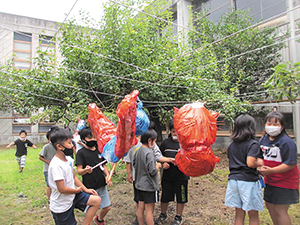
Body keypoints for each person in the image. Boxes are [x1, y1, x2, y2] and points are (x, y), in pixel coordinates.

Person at [48, 128, 101, 225]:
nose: (72, 146)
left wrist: (86, 189)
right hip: (61, 205)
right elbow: (62, 189)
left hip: (72, 195)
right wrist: (77, 190)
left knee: (96, 200)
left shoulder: (68, 160)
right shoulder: (56, 165)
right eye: (69, 143)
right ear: (59, 146)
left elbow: (74, 177)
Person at [259, 111, 299, 225]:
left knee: (280, 210)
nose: (271, 127)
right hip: (270, 181)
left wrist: (271, 171)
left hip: (285, 182)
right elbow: (260, 156)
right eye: (269, 123)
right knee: (270, 206)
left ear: (282, 127)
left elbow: (290, 164)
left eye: (275, 124)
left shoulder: (287, 143)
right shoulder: (263, 140)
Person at [224, 114, 264, 225]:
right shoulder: (253, 144)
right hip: (248, 182)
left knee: (239, 213)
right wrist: (260, 162)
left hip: (233, 181)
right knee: (253, 214)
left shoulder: (232, 145)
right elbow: (251, 163)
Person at [155, 120, 189, 225]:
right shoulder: (165, 143)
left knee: (181, 197)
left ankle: (178, 217)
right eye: (174, 132)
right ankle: (163, 214)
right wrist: (163, 163)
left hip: (182, 176)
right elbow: (159, 157)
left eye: (178, 132)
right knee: (165, 196)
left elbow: (191, 159)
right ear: (170, 131)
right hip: (168, 176)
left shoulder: (186, 143)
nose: (176, 134)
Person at [76, 128, 112, 225]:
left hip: (101, 184)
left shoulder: (99, 150)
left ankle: (99, 219)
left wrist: (108, 175)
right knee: (90, 213)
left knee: (107, 207)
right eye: (89, 137)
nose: (93, 139)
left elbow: (103, 165)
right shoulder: (81, 153)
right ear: (83, 140)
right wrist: (85, 170)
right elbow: (79, 171)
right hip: (89, 188)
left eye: (94, 136)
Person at [133, 129, 160, 225]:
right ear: (150, 141)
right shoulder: (149, 153)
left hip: (139, 184)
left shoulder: (138, 151)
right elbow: (152, 171)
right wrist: (157, 166)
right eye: (154, 141)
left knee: (140, 206)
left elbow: (134, 165)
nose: (154, 144)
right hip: (149, 186)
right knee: (149, 210)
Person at [39, 126, 58, 200]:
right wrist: (48, 162)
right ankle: (50, 199)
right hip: (47, 169)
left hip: (56, 168)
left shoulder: (57, 146)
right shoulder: (46, 147)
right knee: (49, 185)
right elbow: (40, 157)